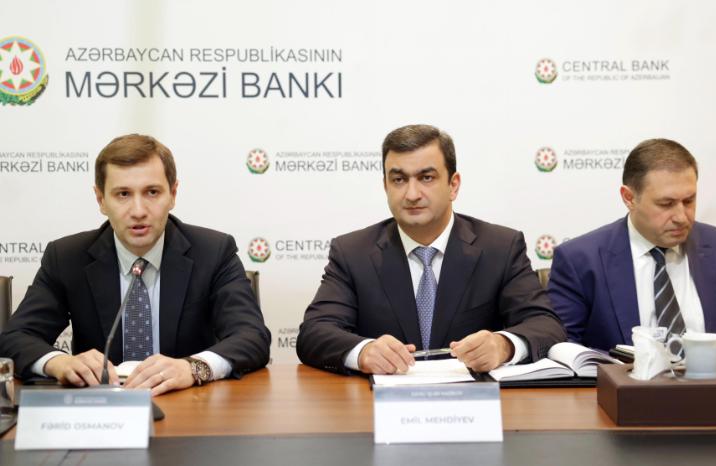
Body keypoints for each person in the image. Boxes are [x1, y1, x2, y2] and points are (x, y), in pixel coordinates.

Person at [0, 134, 271, 395]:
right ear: (101, 200)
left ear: (173, 194)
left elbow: (252, 336)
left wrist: (193, 368)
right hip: (100, 407)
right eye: (123, 194)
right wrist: (59, 362)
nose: (139, 211)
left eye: (152, 192)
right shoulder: (67, 257)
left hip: (189, 405)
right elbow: (15, 337)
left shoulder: (213, 252)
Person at [296, 124, 566, 375]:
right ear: (385, 186)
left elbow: (546, 325)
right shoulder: (353, 253)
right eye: (399, 180)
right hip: (382, 403)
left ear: (453, 185)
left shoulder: (500, 247)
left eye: (426, 177)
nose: (412, 194)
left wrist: (503, 345)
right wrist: (364, 352)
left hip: (474, 402)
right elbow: (315, 332)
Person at [548, 138, 716, 351]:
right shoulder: (580, 261)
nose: (681, 217)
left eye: (689, 201)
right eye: (666, 204)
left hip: (711, 374)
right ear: (629, 198)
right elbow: (561, 349)